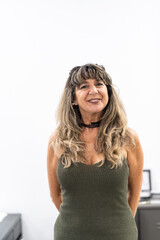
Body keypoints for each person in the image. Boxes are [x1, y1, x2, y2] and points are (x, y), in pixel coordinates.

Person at [47, 63, 144, 240]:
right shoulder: (57, 140)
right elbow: (55, 194)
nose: (94, 91)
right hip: (69, 235)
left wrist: (117, 224)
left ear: (108, 92)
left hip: (119, 234)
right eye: (84, 86)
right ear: (73, 98)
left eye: (99, 84)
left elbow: (134, 193)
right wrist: (79, 222)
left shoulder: (128, 138)